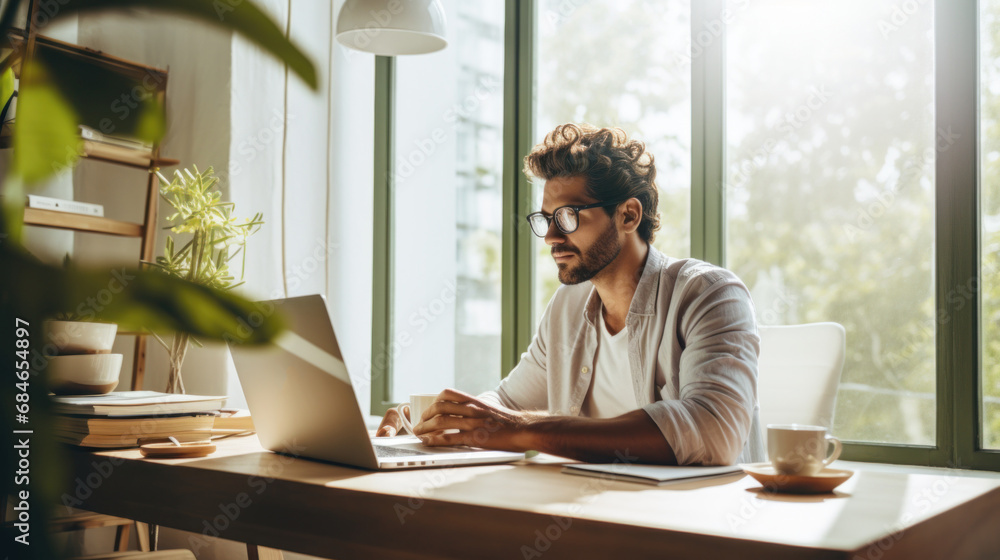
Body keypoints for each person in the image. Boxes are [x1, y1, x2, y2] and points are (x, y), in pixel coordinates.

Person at [377, 123, 765, 465]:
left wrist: (522, 430)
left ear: (628, 215)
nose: (550, 236)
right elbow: (508, 406)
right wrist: (435, 421)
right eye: (546, 219)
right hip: (589, 514)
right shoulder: (569, 304)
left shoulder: (709, 295)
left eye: (567, 216)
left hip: (691, 527)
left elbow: (713, 430)